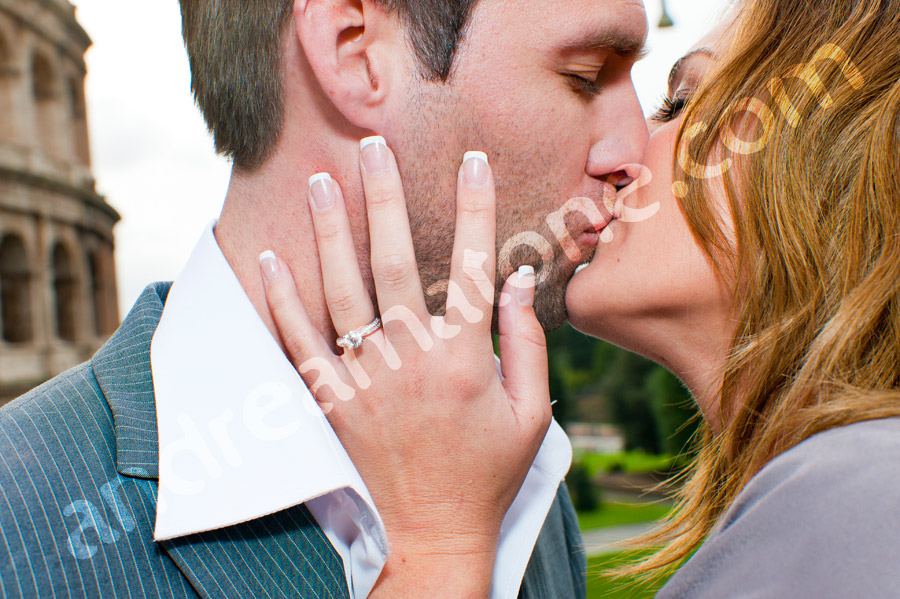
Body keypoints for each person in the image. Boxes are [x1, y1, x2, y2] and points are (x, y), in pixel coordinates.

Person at [0, 1, 652, 598]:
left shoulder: (524, 462)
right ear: (354, 50)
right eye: (587, 75)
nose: (636, 150)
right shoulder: (18, 536)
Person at [261, 0, 900, 596]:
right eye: (588, 77)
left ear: (827, 163)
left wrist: (436, 551)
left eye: (676, 105)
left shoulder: (858, 503)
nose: (629, 150)